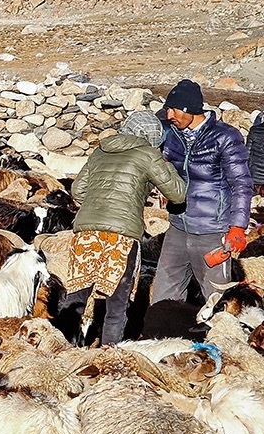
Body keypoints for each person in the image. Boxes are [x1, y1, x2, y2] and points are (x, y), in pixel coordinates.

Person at [60, 111, 186, 346]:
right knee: (117, 303)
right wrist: (163, 165)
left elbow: (77, 191)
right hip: (121, 237)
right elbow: (178, 193)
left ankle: (61, 349)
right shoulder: (148, 154)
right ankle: (110, 356)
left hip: (86, 232)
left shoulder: (101, 150)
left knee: (77, 296)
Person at [151, 79, 253, 304]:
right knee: (162, 298)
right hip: (177, 228)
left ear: (189, 109)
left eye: (174, 110)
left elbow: (242, 184)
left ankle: (219, 339)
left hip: (212, 233)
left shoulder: (225, 137)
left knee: (216, 300)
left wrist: (238, 226)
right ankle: (165, 338)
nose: (169, 115)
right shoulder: (171, 135)